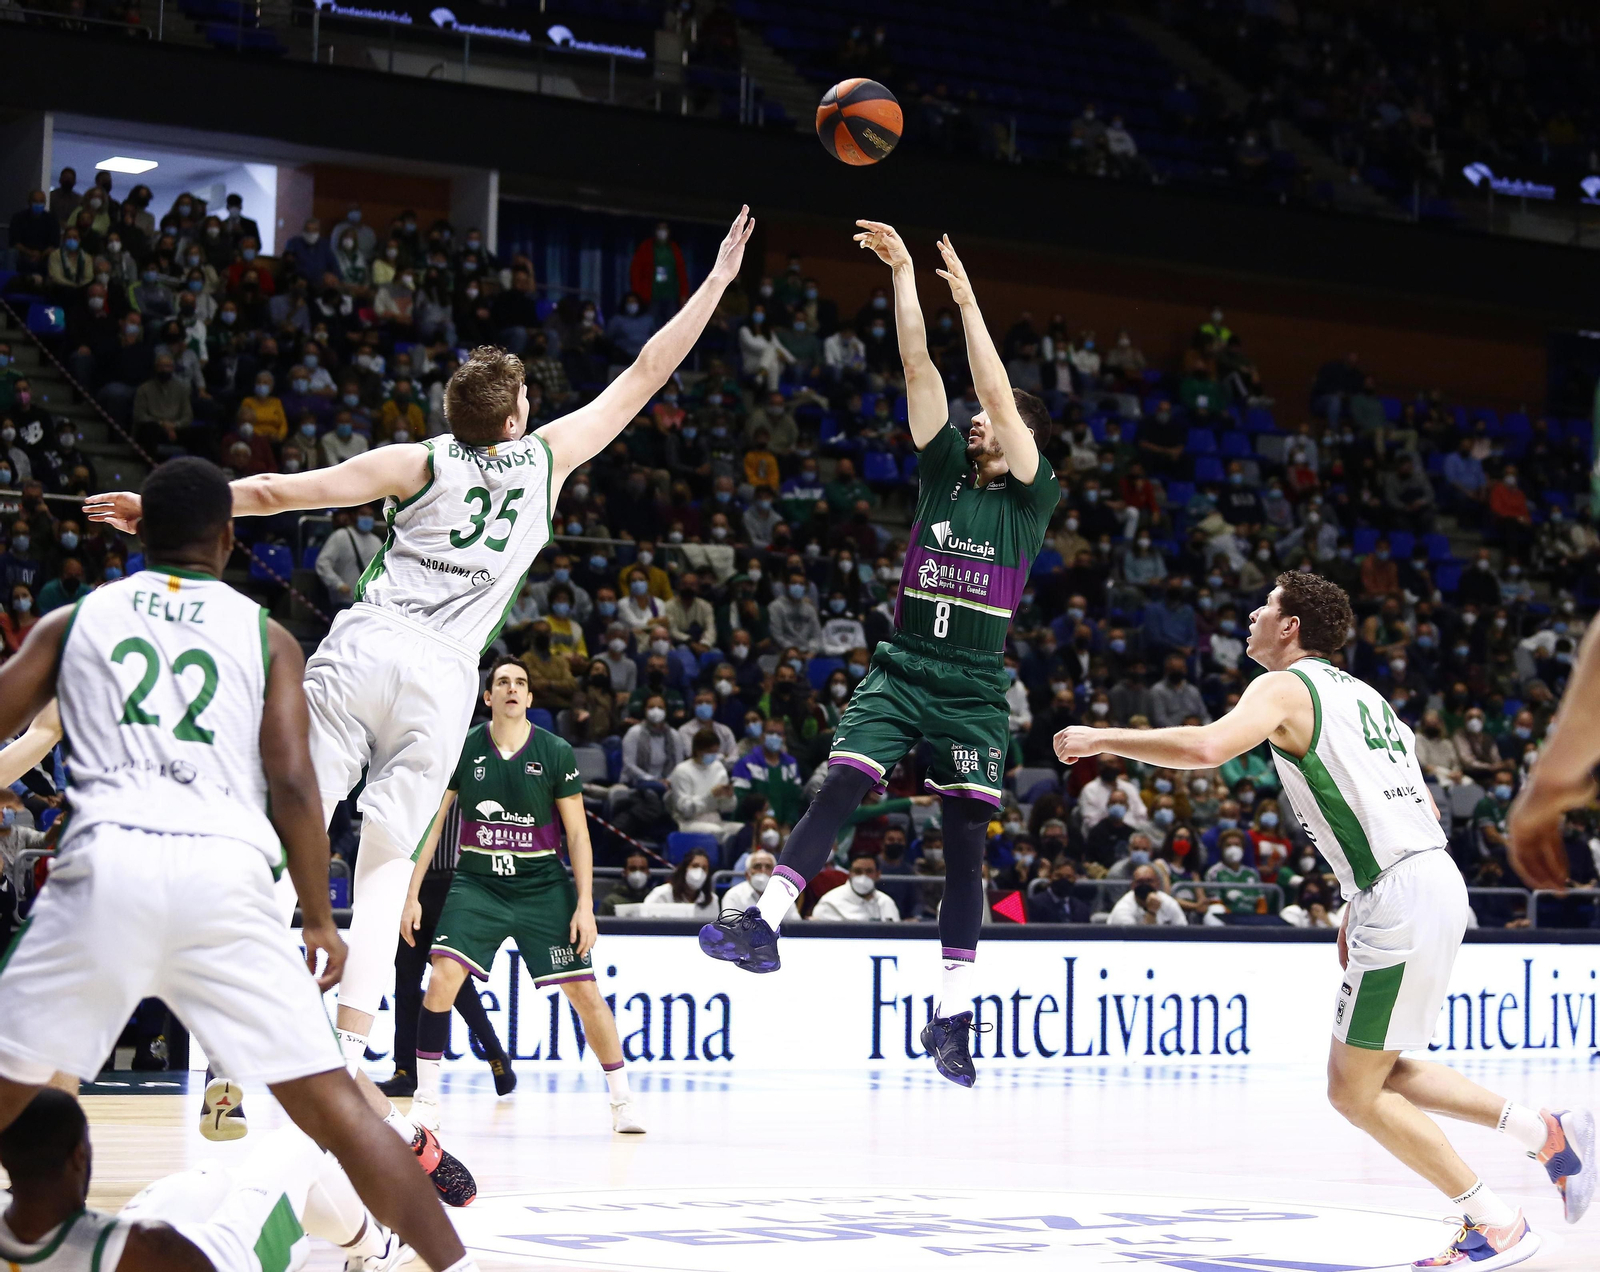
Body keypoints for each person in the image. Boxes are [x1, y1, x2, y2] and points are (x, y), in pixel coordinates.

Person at [85, 203, 755, 1109]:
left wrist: (166, 510)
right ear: (519, 415)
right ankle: (351, 1056)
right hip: (444, 676)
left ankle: (229, 1053)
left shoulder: (421, 460)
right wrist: (714, 280)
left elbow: (284, 489)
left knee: (287, 839)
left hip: (365, 647)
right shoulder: (551, 457)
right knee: (388, 865)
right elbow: (644, 372)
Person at [0, 459, 476, 1271]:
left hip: (107, 867)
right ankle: (452, 1263)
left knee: (14, 1091)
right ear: (227, 538)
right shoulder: (268, 637)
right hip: (224, 878)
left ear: (140, 534)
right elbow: (295, 783)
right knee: (340, 1114)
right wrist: (320, 918)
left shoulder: (78, 620)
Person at [1054, 571, 1591, 1263]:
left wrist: (1104, 736)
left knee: (1352, 1090)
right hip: (1422, 880)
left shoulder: (1285, 687)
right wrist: (1359, 894)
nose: (1252, 613)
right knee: (1379, 1073)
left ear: (1291, 627)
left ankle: (1495, 1218)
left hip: (1400, 889)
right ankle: (1546, 1132)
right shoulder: (1368, 699)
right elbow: (1422, 808)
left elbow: (1208, 749)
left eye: (1265, 606)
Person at [700, 224, 1060, 1090]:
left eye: (989, 422)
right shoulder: (941, 473)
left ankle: (951, 1016)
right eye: (973, 422)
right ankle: (767, 922)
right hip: (902, 670)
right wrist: (904, 278)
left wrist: (968, 298)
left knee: (968, 845)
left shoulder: (1031, 498)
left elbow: (996, 395)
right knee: (839, 783)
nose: (976, 423)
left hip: (974, 690)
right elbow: (919, 370)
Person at [400, 657, 644, 1136]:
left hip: (541, 885)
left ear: (530, 698)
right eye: (503, 683)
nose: (512, 689)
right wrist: (411, 894)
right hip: (478, 881)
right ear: (487, 697)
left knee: (584, 992)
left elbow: (577, 835)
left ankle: (622, 1101)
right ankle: (426, 1100)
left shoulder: (554, 751)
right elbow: (432, 826)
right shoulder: (464, 747)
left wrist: (585, 904)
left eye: (521, 683)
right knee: (442, 977)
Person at [0, 1097, 410, 1272]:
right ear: (79, 1157)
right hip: (232, 1258)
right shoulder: (143, 1249)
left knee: (210, 1179)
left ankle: (372, 1249)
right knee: (296, 1145)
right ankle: (376, 1253)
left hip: (148, 1238)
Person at [720, 848, 799, 924]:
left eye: (768, 867)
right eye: (757, 866)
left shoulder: (785, 896)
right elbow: (730, 930)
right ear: (747, 874)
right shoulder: (733, 896)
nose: (763, 871)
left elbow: (795, 926)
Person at [812, 854, 900, 921]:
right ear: (850, 873)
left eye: (869, 871)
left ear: (878, 875)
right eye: (858, 871)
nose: (863, 876)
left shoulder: (887, 903)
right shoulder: (829, 903)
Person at [1106, 863, 1186, 926]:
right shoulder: (1123, 909)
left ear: (1158, 884)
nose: (1144, 885)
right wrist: (1151, 912)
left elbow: (1183, 931)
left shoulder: (1169, 903)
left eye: (1149, 881)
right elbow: (1138, 942)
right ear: (1132, 885)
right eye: (1140, 882)